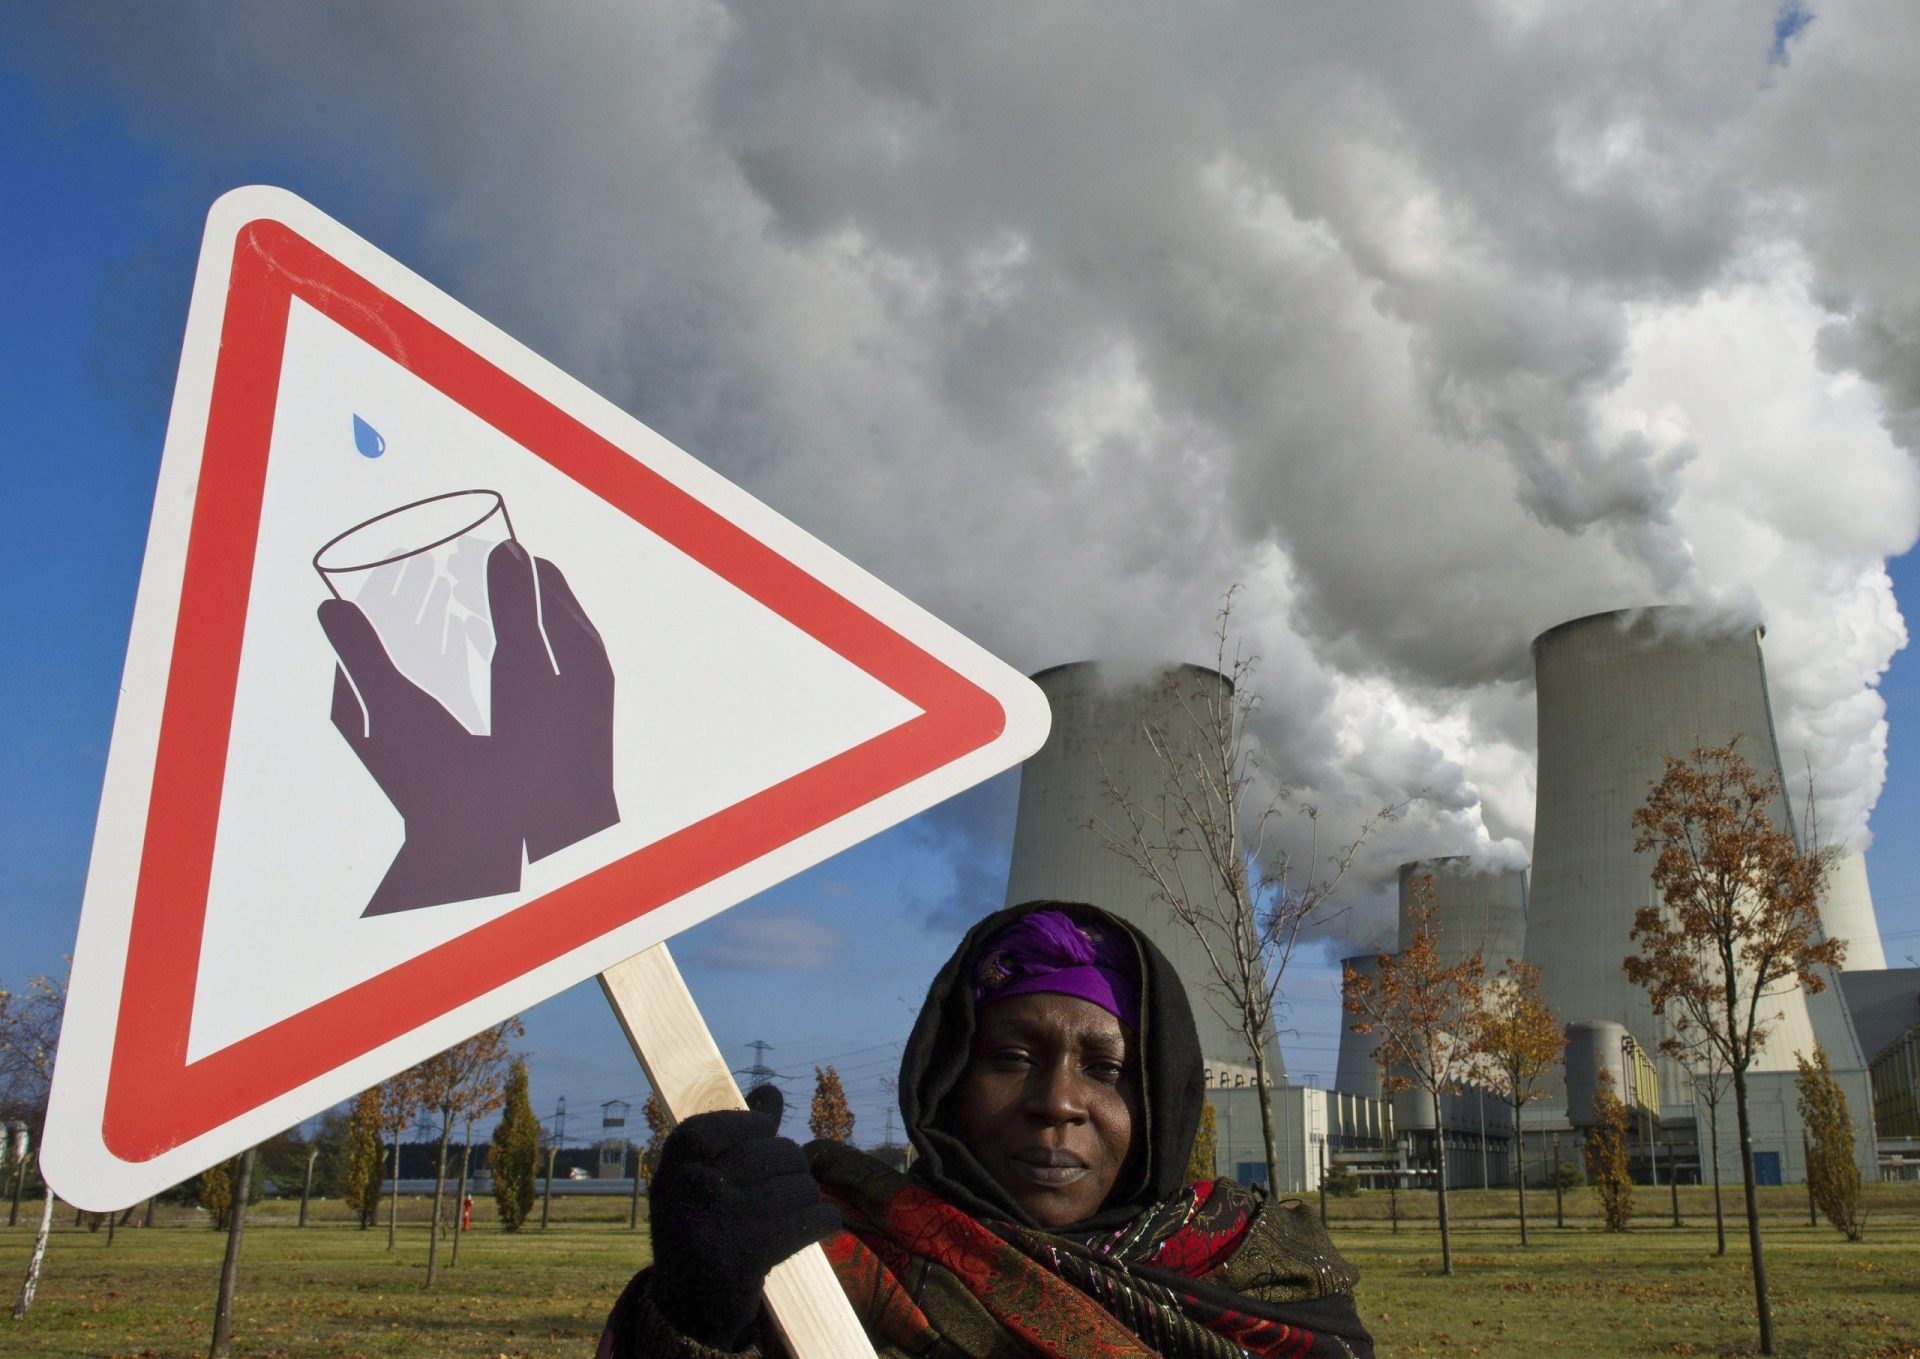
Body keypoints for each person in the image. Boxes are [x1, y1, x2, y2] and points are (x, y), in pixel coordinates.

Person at [600, 901, 1375, 1357]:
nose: (1057, 1102)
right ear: (948, 1082)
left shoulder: (1264, 1275)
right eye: (1011, 1056)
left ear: (1160, 1103)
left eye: (1105, 1068)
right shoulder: (825, 1264)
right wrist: (695, 1312)